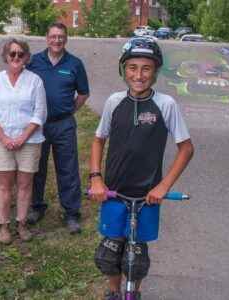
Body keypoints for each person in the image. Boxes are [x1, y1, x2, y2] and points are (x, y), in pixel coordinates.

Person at [88, 37, 194, 300]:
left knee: (135, 260)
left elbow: (187, 148)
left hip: (147, 197)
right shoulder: (114, 101)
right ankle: (114, 292)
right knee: (108, 255)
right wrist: (96, 179)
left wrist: (163, 186)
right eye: (132, 67)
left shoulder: (166, 104)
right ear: (123, 69)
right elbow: (99, 139)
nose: (138, 74)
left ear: (155, 72)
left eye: (146, 68)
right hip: (114, 193)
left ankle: (132, 294)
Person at [26, 22, 90, 234]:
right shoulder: (34, 61)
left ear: (66, 39)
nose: (57, 40)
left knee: (68, 169)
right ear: (47, 38)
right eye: (53, 36)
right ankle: (36, 207)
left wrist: (69, 111)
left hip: (63, 124)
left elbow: (83, 94)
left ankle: (71, 213)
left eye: (61, 37)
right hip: (38, 124)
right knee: (36, 167)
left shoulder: (75, 64)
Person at [0, 39, 47, 244]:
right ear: (5, 56)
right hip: (1, 140)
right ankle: (3, 225)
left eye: (21, 54)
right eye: (12, 54)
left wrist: (21, 138)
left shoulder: (35, 81)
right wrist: (4, 137)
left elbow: (40, 113)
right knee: (4, 185)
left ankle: (21, 223)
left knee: (25, 185)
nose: (16, 58)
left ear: (27, 57)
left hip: (29, 141)